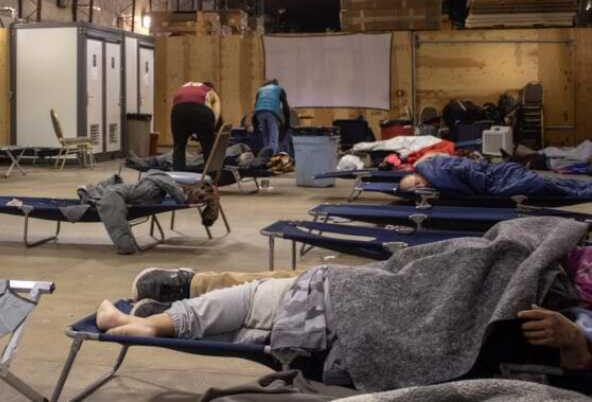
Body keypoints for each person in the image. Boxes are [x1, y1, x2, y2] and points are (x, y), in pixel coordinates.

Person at [97, 219, 592, 389]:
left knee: (263, 300)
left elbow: (577, 365)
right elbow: (523, 241)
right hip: (447, 280)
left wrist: (577, 347)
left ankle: (152, 324)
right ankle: (162, 313)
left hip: (416, 306)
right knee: (270, 320)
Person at [399, 153, 592, 198]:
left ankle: (585, 190)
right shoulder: (432, 172)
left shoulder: (437, 175)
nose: (418, 188)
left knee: (548, 186)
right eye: (414, 189)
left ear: (416, 175)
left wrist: (486, 188)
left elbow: (470, 171)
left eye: (415, 183)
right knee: (549, 183)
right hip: (499, 172)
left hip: (498, 177)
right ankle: (584, 188)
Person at [170, 81, 221, 171]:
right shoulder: (211, 92)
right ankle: (211, 176)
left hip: (178, 110)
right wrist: (210, 132)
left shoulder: (186, 85)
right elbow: (216, 115)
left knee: (179, 146)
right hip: (201, 111)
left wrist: (188, 131)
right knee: (208, 146)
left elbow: (176, 105)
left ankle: (179, 177)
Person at [252, 79, 291, 154]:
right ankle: (272, 159)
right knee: (273, 139)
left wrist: (255, 125)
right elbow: (285, 107)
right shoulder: (279, 89)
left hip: (259, 113)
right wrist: (287, 122)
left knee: (265, 138)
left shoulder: (260, 90)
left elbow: (256, 106)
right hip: (271, 112)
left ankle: (266, 159)